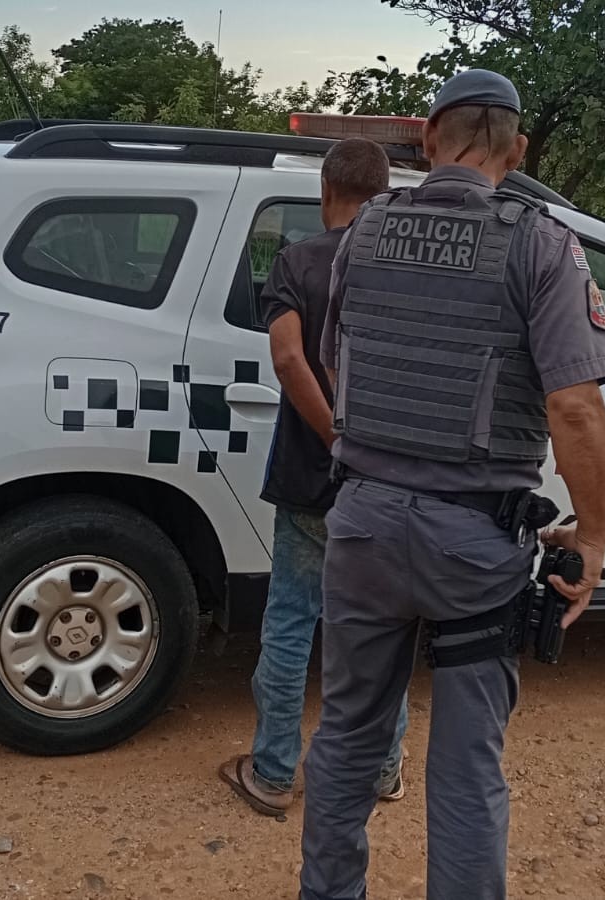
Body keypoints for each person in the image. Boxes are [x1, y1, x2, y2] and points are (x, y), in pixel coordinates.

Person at [299, 70, 605, 900]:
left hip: (362, 527)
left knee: (346, 738)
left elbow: (336, 365)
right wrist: (590, 537)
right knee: (467, 766)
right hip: (474, 546)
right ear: (517, 150)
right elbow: (574, 407)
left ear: (428, 138)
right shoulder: (541, 243)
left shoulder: (363, 230)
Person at [218, 138, 411, 818]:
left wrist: (336, 439)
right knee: (382, 634)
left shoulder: (297, 262)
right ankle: (384, 771)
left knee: (291, 624)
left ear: (325, 191)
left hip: (310, 482)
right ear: (384, 196)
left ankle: (272, 775)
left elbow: (287, 360)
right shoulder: (407, 269)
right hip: (391, 485)